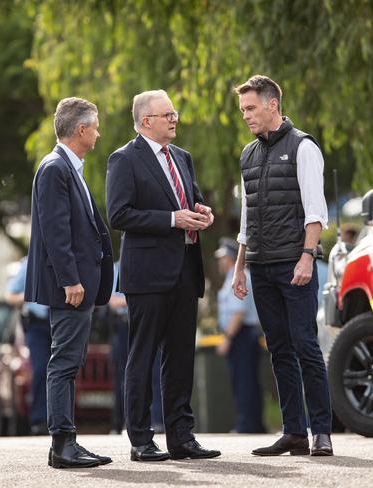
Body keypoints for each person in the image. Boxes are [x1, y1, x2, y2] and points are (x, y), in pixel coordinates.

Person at [106, 89, 220, 461]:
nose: (175, 119)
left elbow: (191, 199)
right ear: (146, 122)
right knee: (142, 357)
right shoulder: (124, 159)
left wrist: (202, 212)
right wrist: (172, 220)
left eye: (175, 112)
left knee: (181, 358)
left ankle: (182, 437)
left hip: (186, 271)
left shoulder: (182, 158)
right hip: (148, 275)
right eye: (167, 114)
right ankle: (141, 439)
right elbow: (119, 215)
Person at [232, 75, 333, 456]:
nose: (246, 116)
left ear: (272, 104)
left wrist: (308, 256)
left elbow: (315, 211)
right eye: (243, 110)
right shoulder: (248, 154)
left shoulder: (303, 147)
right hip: (260, 266)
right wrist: (240, 267)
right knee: (279, 350)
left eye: (251, 108)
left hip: (294, 265)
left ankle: (321, 431)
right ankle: (294, 432)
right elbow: (246, 216)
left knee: (306, 346)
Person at [25, 97, 114, 469]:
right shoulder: (55, 168)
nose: (97, 133)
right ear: (81, 130)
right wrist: (70, 280)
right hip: (71, 288)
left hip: (79, 285)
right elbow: (56, 232)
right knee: (63, 362)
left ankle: (69, 440)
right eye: (94, 126)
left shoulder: (68, 167)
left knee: (70, 360)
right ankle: (62, 445)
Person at [214, 237, 266, 434]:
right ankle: (253, 423)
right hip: (242, 335)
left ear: (229, 259)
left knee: (244, 381)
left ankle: (248, 424)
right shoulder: (233, 277)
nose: (220, 262)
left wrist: (227, 338)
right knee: (246, 380)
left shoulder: (240, 277)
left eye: (223, 258)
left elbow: (238, 312)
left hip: (242, 334)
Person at [107, 261, 164, 435]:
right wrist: (139, 298)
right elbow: (112, 302)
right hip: (125, 326)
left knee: (155, 373)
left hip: (148, 322)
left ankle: (157, 421)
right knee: (127, 374)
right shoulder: (116, 268)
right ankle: (128, 422)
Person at [5, 257, 51, 435]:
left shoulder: (69, 256)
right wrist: (34, 294)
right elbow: (10, 295)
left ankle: (62, 418)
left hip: (62, 322)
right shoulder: (30, 262)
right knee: (40, 368)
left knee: (64, 369)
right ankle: (39, 419)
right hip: (38, 325)